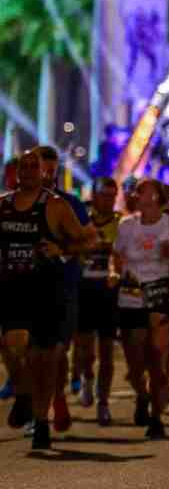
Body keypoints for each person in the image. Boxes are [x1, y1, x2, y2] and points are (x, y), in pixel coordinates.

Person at [0, 150, 90, 449]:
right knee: (12, 346)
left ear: (43, 172)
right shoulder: (3, 205)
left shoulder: (55, 205)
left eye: (33, 167)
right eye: (22, 166)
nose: (27, 171)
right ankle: (24, 392)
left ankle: (40, 422)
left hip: (47, 291)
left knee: (45, 361)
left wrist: (60, 249)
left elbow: (87, 240)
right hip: (12, 289)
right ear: (15, 172)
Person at [109, 178, 169, 439]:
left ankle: (156, 417)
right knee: (134, 363)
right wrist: (113, 272)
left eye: (143, 190)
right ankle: (142, 396)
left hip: (161, 294)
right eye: (138, 191)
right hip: (131, 294)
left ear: (157, 196)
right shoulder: (127, 225)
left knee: (157, 359)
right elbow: (117, 256)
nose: (138, 194)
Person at [74, 177, 121, 426]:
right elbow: (71, 246)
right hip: (84, 289)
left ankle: (103, 403)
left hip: (108, 291)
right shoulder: (81, 219)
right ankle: (87, 379)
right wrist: (86, 247)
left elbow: (122, 252)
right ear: (94, 195)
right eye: (104, 194)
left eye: (113, 195)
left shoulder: (121, 222)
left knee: (107, 352)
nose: (109, 199)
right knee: (83, 348)